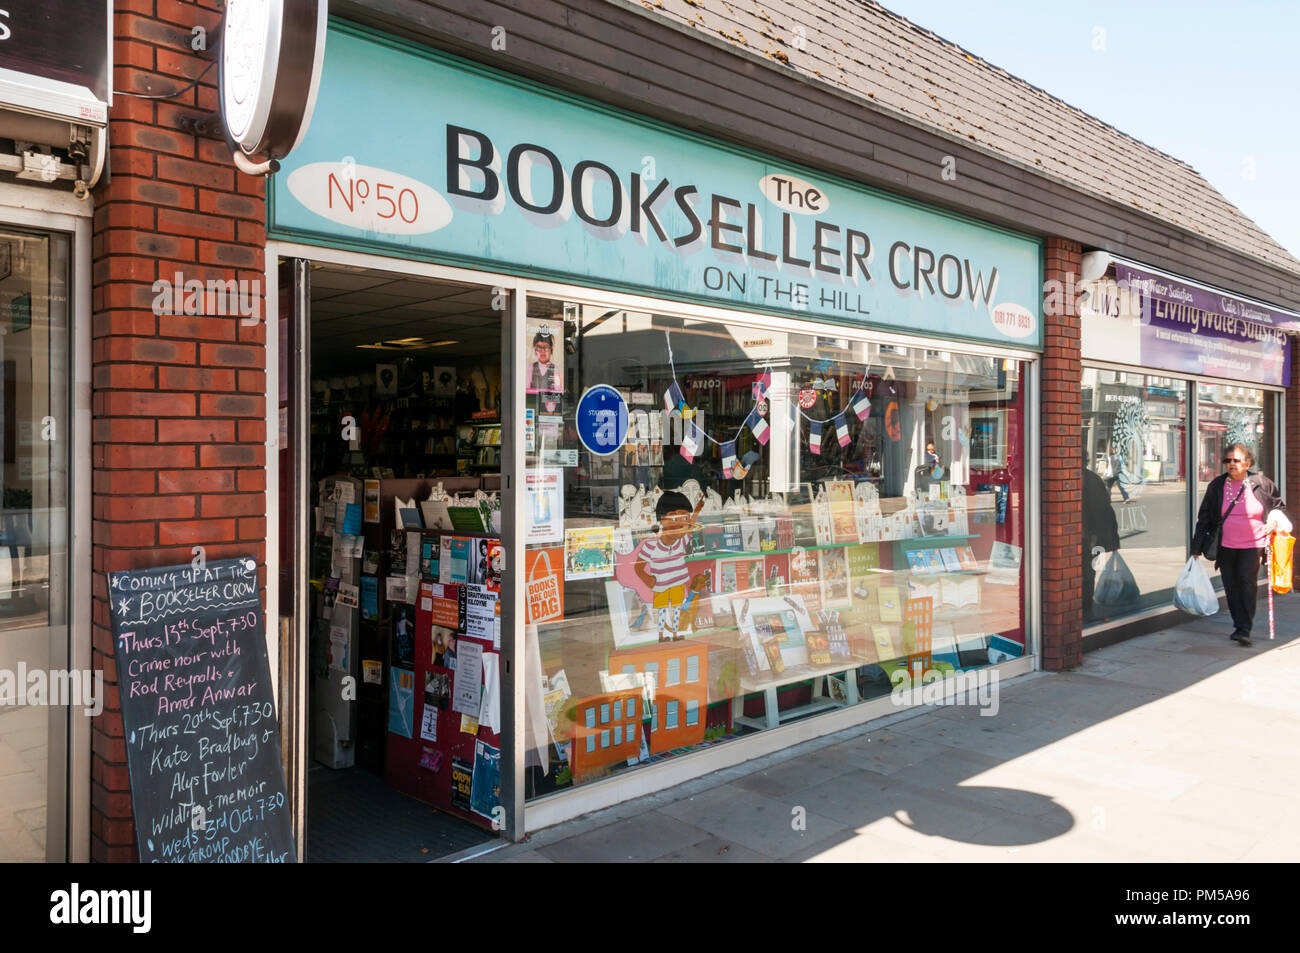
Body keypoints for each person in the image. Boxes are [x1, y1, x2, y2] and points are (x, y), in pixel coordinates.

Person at [1191, 443, 1289, 646]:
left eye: (1236, 460)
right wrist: (1196, 548)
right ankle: (1239, 624)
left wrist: (1274, 520)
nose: (1231, 464)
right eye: (1227, 460)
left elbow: (1279, 507)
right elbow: (1205, 518)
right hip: (1226, 545)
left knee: (1246, 582)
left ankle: (1244, 628)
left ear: (1247, 463)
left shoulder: (1261, 483)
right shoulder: (1217, 486)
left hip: (1253, 545)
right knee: (1231, 586)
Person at [634, 491, 707, 642]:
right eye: (675, 518)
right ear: (662, 519)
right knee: (662, 610)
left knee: (676, 609)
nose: (681, 524)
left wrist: (698, 510)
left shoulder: (682, 541)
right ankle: (661, 635)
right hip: (660, 585)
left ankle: (675, 634)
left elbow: (691, 526)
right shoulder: (651, 545)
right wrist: (648, 580)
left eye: (685, 518)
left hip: (678, 583)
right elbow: (638, 567)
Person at [1081, 452, 1120, 620]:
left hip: (1089, 538)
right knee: (1087, 572)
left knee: (1087, 572)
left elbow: (1103, 511)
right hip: (1089, 537)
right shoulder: (1092, 479)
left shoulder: (1090, 480)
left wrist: (1104, 538)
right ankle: (1084, 604)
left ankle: (1084, 606)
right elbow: (1106, 511)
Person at [526, 328, 560, 392]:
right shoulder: (531, 367)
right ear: (535, 350)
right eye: (539, 347)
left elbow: (558, 389)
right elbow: (526, 388)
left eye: (546, 347)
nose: (542, 351)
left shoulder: (555, 368)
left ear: (551, 350)